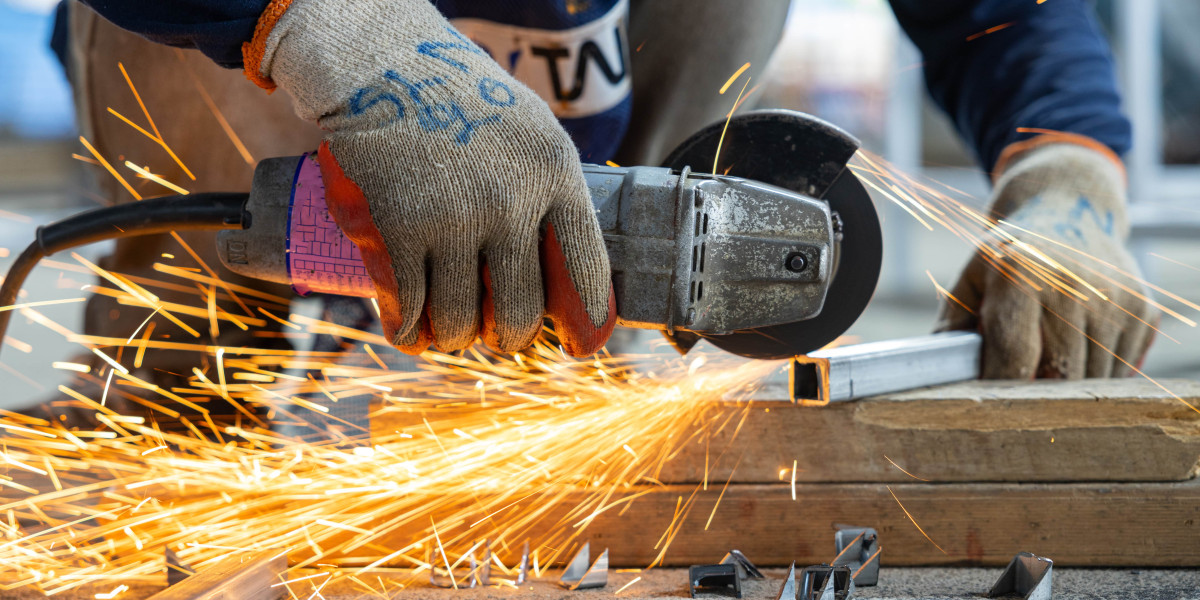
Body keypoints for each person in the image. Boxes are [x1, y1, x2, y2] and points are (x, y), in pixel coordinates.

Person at [52, 0, 1154, 380]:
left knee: (564, 475)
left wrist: (1068, 166)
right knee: (171, 426)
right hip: (226, 70)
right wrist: (332, 21)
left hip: (609, 207)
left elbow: (1002, 14)